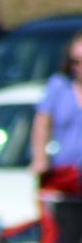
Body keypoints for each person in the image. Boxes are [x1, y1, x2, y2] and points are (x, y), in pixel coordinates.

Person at [29, 32, 82, 181]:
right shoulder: (59, 86)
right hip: (64, 174)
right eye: (74, 61)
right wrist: (40, 159)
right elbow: (41, 123)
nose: (77, 67)